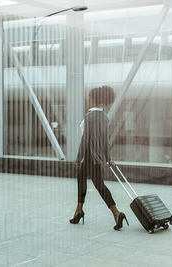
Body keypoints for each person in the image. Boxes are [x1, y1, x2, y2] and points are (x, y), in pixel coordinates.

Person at [69, 85, 128, 231]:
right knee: (82, 179)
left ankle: (116, 213)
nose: (87, 99)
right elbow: (105, 140)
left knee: (99, 185)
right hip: (98, 156)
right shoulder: (104, 116)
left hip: (89, 155)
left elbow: (85, 139)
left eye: (88, 97)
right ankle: (79, 211)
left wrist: (78, 158)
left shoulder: (90, 116)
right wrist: (108, 158)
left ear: (94, 99)